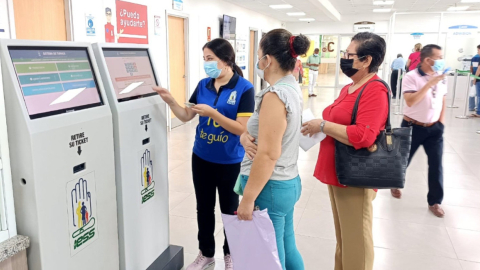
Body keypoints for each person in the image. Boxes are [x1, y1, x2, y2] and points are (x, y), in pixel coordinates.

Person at [153, 38, 255, 270]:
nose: (206, 64)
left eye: (210, 59)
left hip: (230, 160)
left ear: (227, 60)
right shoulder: (203, 85)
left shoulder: (245, 88)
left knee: (230, 210)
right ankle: (206, 253)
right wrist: (171, 102)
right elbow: (187, 116)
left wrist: (213, 113)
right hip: (201, 156)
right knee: (204, 207)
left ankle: (231, 254)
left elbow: (241, 128)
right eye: (204, 59)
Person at [301, 32, 388, 270]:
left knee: (356, 241)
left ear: (366, 60)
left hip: (355, 175)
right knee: (344, 239)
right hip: (338, 171)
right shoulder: (351, 87)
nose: (344, 59)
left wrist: (323, 125)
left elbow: (364, 135)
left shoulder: (374, 90)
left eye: (349, 55)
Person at [236, 29, 310, 270]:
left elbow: (268, 154)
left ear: (267, 59)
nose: (258, 62)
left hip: (269, 187)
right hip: (287, 181)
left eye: (259, 56)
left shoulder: (274, 95)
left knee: (270, 258)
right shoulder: (291, 88)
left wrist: (247, 199)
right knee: (287, 248)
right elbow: (272, 133)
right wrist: (246, 137)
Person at [390, 44, 448, 218]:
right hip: (412, 126)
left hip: (434, 128)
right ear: (427, 60)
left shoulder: (441, 77)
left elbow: (443, 99)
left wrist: (441, 122)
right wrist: (429, 84)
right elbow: (410, 101)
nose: (441, 60)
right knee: (403, 160)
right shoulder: (411, 77)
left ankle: (435, 201)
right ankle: (395, 183)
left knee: (436, 165)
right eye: (438, 57)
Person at [468, 45, 480, 117]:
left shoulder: (474, 58)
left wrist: (474, 77)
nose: (477, 51)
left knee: (474, 94)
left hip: (477, 78)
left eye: (478, 50)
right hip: (476, 77)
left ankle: (473, 108)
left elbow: (473, 68)